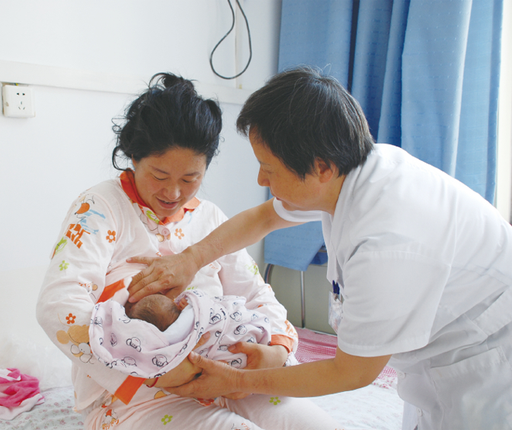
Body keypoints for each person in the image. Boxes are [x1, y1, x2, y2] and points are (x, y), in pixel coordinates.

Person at [126, 66, 512, 430]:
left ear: (321, 167)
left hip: (488, 369)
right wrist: (190, 259)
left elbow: (352, 373)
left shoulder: (388, 243)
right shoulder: (353, 172)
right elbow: (263, 218)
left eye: (270, 168)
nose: (261, 177)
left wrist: (238, 379)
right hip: (442, 361)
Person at [36, 72, 342, 430]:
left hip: (232, 375)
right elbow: (58, 306)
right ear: (134, 157)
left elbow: (259, 296)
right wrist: (156, 372)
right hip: (142, 393)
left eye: (190, 179)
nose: (174, 194)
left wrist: (274, 351)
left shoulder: (210, 218)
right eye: (160, 175)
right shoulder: (100, 208)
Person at [90, 284, 291, 379]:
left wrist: (280, 348)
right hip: (243, 336)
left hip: (246, 351)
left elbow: (259, 292)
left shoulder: (168, 339)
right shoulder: (188, 317)